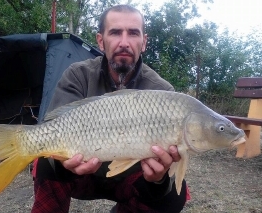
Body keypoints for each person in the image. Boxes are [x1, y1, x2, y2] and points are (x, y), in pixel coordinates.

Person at [32, 4, 189, 213]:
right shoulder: (78, 75)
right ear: (101, 41)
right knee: (43, 161)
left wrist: (158, 179)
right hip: (81, 174)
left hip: (132, 179)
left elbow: (170, 163)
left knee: (174, 195)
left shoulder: (162, 92)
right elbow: (52, 126)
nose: (124, 42)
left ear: (144, 42)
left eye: (133, 33)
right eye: (115, 33)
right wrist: (63, 164)